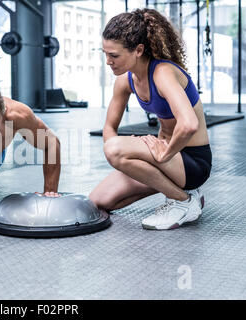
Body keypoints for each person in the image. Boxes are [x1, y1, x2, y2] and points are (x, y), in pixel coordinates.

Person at [89, 8, 212, 230]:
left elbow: (189, 124)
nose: (108, 61)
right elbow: (109, 127)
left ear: (138, 50)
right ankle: (181, 192)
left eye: (114, 55)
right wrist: (130, 157)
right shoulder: (126, 80)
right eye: (105, 53)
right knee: (98, 201)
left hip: (192, 162)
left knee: (115, 148)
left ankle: (183, 202)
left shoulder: (162, 72)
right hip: (165, 159)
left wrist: (164, 154)